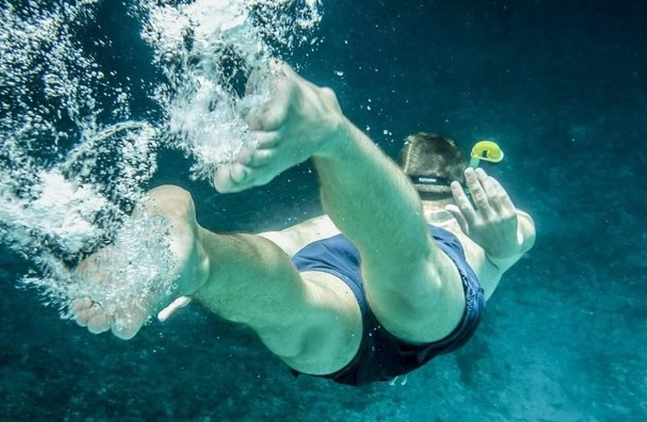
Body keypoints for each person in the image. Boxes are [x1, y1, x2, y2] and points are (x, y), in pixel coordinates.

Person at [72, 62, 536, 386]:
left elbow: (290, 239)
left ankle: (203, 259)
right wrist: (504, 241)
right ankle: (332, 137)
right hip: (407, 287)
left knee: (290, 304)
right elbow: (514, 237)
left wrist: (188, 273)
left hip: (338, 262)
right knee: (414, 281)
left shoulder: (363, 213)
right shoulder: (478, 219)